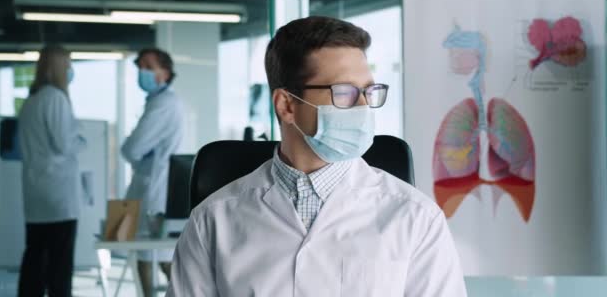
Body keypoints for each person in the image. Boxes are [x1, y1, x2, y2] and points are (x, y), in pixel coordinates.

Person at [167, 16, 467, 297]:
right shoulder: (213, 219)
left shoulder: (415, 217)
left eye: (368, 91)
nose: (363, 107)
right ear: (286, 105)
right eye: (344, 92)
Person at [18, 45, 85, 297]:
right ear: (58, 67)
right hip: (57, 197)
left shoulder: (32, 100)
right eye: (68, 65)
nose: (70, 70)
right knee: (59, 266)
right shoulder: (55, 98)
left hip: (36, 194)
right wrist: (81, 137)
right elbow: (64, 144)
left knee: (35, 260)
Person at [121, 48, 184, 296]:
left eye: (148, 67)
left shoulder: (164, 103)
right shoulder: (158, 101)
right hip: (151, 183)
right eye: (140, 67)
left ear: (165, 72)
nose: (142, 72)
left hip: (155, 187)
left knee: (154, 255)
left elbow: (132, 147)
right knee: (153, 255)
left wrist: (133, 150)